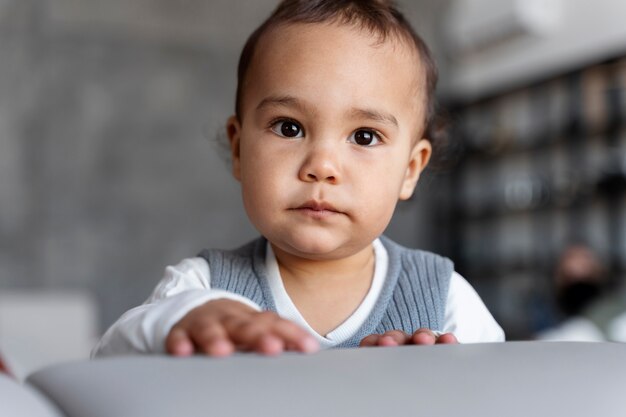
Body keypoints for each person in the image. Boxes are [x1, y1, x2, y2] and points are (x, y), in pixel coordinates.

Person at [92, 0, 504, 358]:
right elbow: (108, 359)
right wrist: (179, 321)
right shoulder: (200, 289)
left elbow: (499, 392)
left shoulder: (444, 299)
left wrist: (444, 378)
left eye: (364, 136)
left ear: (410, 170)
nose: (322, 165)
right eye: (289, 128)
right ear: (239, 149)